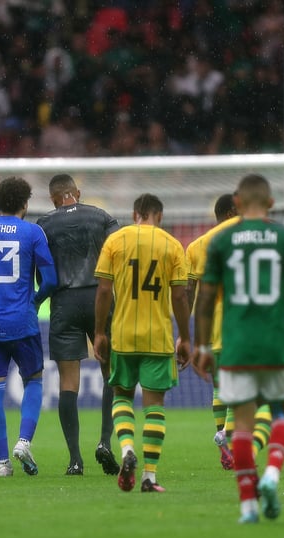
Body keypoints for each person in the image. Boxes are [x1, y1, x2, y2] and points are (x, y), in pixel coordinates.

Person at [194, 174, 284, 524]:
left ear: (238, 203)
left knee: (242, 426)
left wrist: (201, 344)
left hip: (235, 343)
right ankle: (272, 475)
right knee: (281, 415)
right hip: (274, 341)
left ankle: (247, 505)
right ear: (271, 203)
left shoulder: (220, 241)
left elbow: (203, 300)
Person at [93, 193, 191, 493]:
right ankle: (149, 476)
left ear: (135, 213)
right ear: (158, 216)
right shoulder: (172, 245)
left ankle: (125, 450)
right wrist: (186, 337)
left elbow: (104, 290)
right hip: (158, 338)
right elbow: (179, 295)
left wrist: (99, 332)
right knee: (154, 407)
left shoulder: (116, 241)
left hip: (123, 335)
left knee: (121, 397)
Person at [0, 177, 58, 477]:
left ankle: (3, 464)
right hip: (22, 322)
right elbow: (52, 280)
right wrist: (35, 300)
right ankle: (24, 442)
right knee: (34, 380)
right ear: (25, 204)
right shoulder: (32, 232)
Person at [36, 174, 120, 476]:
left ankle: (75, 459)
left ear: (53, 198)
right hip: (100, 297)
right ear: (77, 193)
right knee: (112, 372)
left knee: (68, 383)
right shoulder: (102, 217)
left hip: (64, 303)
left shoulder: (43, 224)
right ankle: (105, 442)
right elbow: (118, 256)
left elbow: (41, 270)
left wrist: (36, 299)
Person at [186, 194, 272, 470]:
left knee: (221, 388)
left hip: (212, 328)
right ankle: (229, 440)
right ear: (231, 212)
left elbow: (188, 291)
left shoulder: (197, 246)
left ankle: (226, 447)